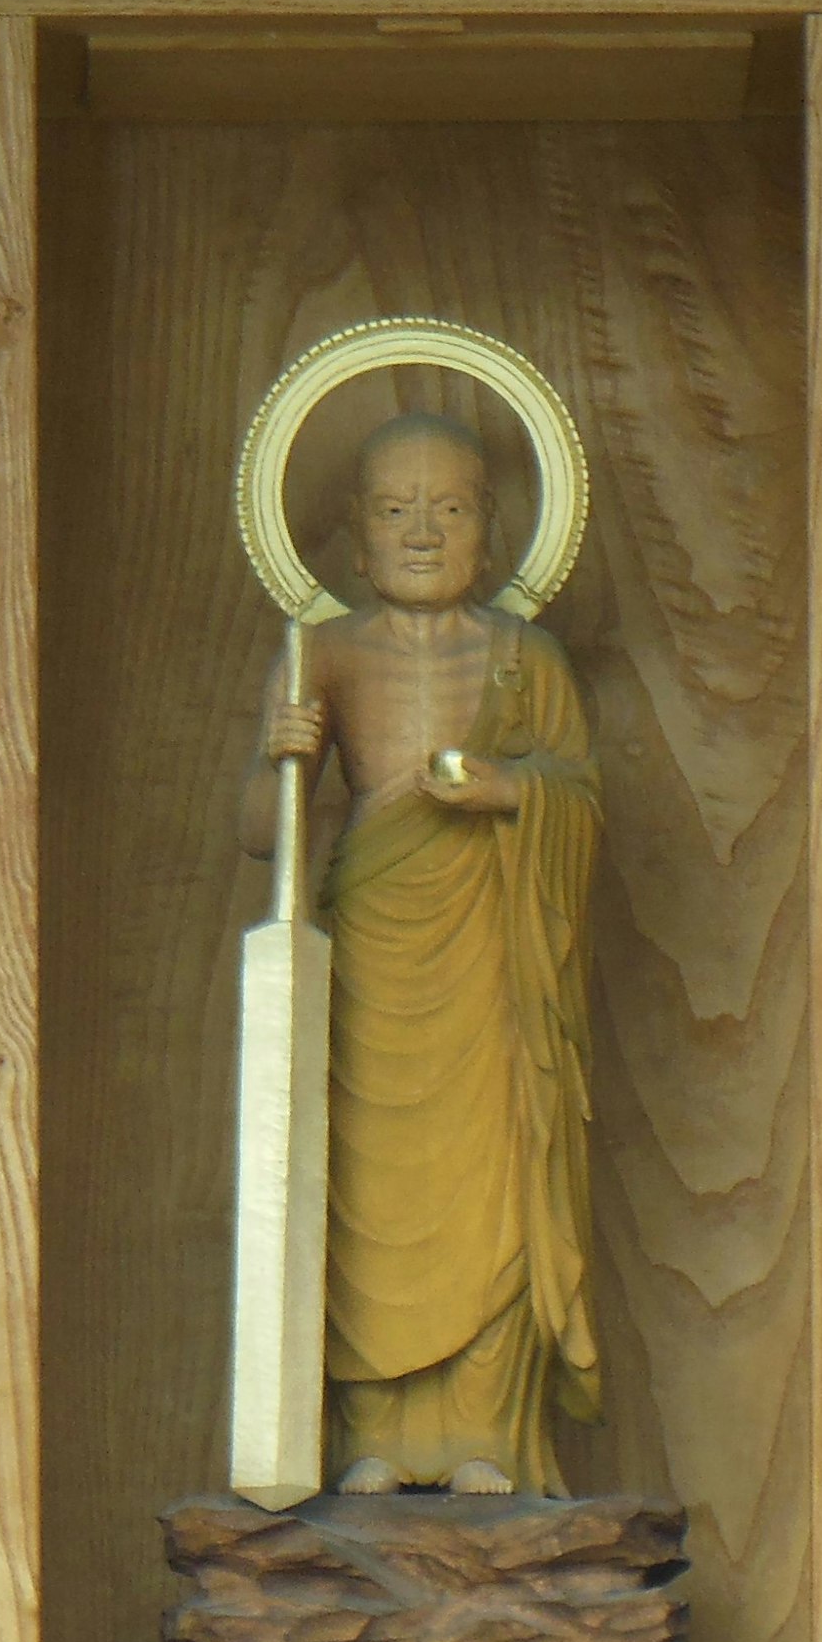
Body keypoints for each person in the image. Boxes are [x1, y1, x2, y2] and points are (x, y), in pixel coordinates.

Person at [242, 411, 603, 1495]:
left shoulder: (525, 658)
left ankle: (485, 1433)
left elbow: (583, 796)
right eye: (396, 510)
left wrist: (511, 790)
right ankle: (377, 1440)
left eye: (449, 509)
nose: (421, 531)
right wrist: (285, 759)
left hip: (489, 952)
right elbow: (265, 833)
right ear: (353, 535)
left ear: (491, 532)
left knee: (495, 1166)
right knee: (365, 1180)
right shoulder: (322, 650)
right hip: (375, 951)